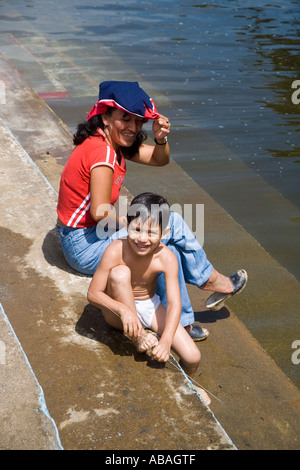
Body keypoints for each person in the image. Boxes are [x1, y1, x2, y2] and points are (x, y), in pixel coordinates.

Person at [56, 80, 247, 342]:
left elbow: (160, 159)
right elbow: (100, 212)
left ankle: (185, 318)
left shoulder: (111, 142)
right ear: (106, 116)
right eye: (126, 119)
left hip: (88, 235)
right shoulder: (102, 154)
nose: (133, 128)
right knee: (170, 224)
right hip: (84, 246)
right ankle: (207, 284)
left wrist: (161, 138)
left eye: (138, 121)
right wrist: (134, 223)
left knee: (167, 246)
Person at [87, 192, 211, 405]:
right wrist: (124, 310)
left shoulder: (166, 257)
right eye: (136, 229)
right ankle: (138, 338)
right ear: (127, 225)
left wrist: (165, 341)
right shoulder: (116, 249)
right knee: (119, 274)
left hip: (149, 304)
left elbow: (174, 303)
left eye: (151, 233)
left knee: (193, 357)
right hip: (117, 312)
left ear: (165, 233)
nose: (142, 238)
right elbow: (93, 293)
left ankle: (187, 385)